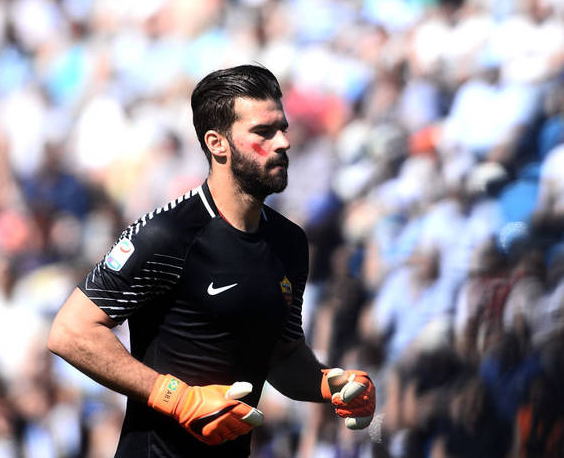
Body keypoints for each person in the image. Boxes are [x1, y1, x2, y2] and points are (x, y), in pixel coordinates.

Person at [47, 65, 376, 457]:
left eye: (282, 128)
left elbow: (282, 356)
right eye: (263, 132)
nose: (284, 142)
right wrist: (178, 399)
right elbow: (70, 331)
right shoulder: (167, 234)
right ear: (217, 144)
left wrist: (329, 385)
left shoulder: (289, 242)